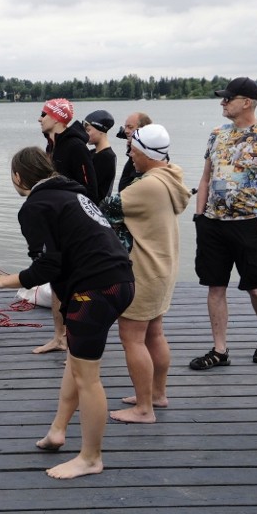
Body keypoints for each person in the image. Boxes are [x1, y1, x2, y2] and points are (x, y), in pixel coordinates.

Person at [0, 146, 134, 479]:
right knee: (76, 365)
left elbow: (48, 265)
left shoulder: (36, 206)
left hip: (96, 291)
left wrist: (1, 280)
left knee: (88, 379)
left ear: (18, 177)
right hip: (119, 281)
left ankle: (91, 458)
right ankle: (57, 431)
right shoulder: (72, 194)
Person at [190, 77, 257, 370]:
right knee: (214, 286)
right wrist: (200, 215)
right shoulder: (217, 134)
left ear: (246, 102)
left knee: (255, 286)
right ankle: (220, 350)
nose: (222, 102)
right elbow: (205, 177)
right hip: (213, 224)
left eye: (227, 98)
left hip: (249, 225)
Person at [103, 125, 191, 424]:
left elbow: (105, 209)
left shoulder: (147, 186)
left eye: (134, 151)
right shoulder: (171, 177)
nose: (130, 155)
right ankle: (156, 394)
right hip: (162, 267)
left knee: (132, 339)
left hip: (143, 269)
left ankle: (143, 409)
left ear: (148, 154)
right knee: (154, 334)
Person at [34, 98, 99, 354]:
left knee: (76, 287)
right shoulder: (51, 145)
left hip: (74, 228)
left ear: (58, 117)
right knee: (56, 283)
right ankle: (59, 337)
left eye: (43, 114)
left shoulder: (75, 147)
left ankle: (77, 344)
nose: (39, 118)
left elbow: (90, 190)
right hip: (55, 226)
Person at [83, 110, 116, 200]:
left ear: (101, 130)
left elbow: (93, 186)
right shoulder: (93, 152)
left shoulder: (107, 157)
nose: (85, 133)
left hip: (97, 207)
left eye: (88, 130)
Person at [118, 112, 152, 192]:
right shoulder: (135, 150)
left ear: (143, 129)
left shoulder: (146, 155)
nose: (126, 131)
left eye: (130, 127)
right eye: (125, 127)